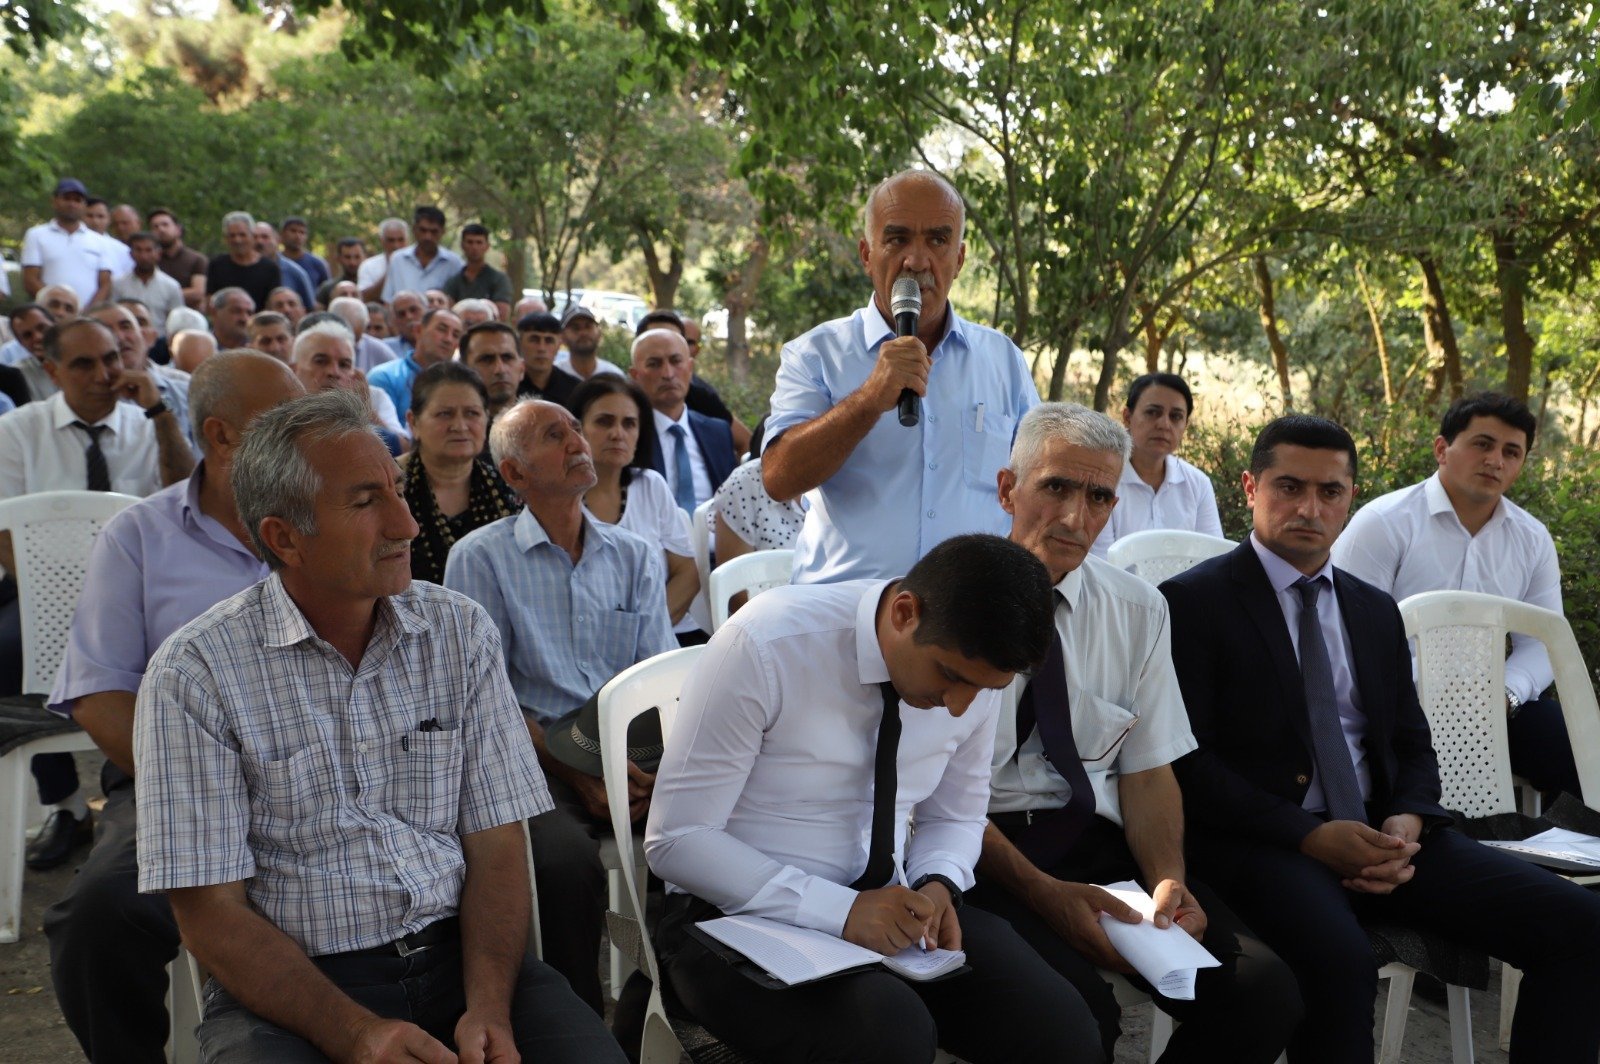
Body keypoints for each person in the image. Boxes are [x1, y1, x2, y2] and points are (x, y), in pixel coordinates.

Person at [133, 388, 623, 1064]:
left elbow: (497, 842)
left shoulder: (457, 631)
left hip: (464, 961)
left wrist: (487, 1005)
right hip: (296, 987)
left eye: (396, 489)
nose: (407, 523)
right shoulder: (195, 673)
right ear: (283, 538)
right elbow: (208, 911)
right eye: (366, 502)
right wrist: (356, 1033)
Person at [1160, 414, 1600, 1063]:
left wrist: (1409, 820)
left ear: (1349, 499)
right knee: (1340, 964)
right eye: (1289, 487)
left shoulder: (1372, 610)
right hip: (1268, 841)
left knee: (1581, 927)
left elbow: (1412, 743)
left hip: (1386, 838)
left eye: (1330, 492)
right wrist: (1310, 836)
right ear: (1251, 488)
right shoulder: (1191, 603)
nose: (1309, 508)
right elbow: (1187, 764)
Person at [646, 533, 1102, 1062]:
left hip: (892, 904)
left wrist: (938, 882)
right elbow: (677, 839)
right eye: (950, 677)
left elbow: (957, 815)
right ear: (904, 613)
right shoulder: (769, 642)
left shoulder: (971, 674)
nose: (959, 707)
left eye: (984, 691)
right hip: (732, 914)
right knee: (889, 1035)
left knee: (1061, 1029)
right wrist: (840, 911)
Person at [969, 402, 1299, 1062]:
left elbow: (1148, 770)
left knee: (1262, 993)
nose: (1075, 517)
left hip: (1095, 845)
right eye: (1056, 487)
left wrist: (1168, 881)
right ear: (1008, 489)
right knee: (1076, 1018)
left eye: (1098, 497)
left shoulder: (1138, 608)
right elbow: (931, 797)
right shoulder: (956, 599)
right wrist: (1044, 894)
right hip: (977, 853)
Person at [43, 351, 303, 1064]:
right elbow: (100, 696)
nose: (302, 436)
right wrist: (203, 789)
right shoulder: (138, 536)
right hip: (174, 780)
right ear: (221, 436)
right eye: (282, 422)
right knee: (96, 917)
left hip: (323, 766)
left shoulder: (323, 519)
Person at [444, 398, 675, 1014]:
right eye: (554, 435)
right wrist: (581, 774)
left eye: (575, 428)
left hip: (630, 754)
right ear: (514, 474)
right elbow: (484, 701)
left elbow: (661, 680)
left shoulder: (633, 554)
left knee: (714, 829)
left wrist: (648, 773)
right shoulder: (479, 558)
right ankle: (578, 1021)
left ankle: (673, 1003)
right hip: (535, 756)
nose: (578, 441)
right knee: (565, 863)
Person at [764, 169, 1038, 584]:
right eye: (897, 239)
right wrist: (869, 398)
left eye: (938, 240)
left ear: (959, 259)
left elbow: (1037, 482)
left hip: (968, 610)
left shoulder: (1003, 360)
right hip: (843, 606)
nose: (916, 260)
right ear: (866, 254)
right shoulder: (816, 355)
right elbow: (779, 479)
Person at [0, 317, 195, 871]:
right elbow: (5, 536)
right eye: (83, 363)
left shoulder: (148, 424)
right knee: (11, 653)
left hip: (142, 595)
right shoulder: (17, 431)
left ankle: (148, 791)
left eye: (112, 358)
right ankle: (63, 804)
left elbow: (188, 502)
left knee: (180, 655)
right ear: (51, 370)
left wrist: (160, 414)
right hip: (39, 592)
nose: (104, 374)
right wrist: (65, 604)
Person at [1332, 392, 1578, 801]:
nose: (1495, 460)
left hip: (1490, 710)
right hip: (1392, 709)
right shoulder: (1384, 523)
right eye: (1483, 444)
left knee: (1575, 748)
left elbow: (1542, 644)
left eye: (1511, 452)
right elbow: (1343, 633)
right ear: (1441, 449)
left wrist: (1505, 695)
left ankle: (1561, 843)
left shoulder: (1532, 540)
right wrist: (1426, 695)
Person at [570, 375, 699, 628]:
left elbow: (687, 574)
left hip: (662, 634)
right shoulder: (559, 496)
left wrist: (642, 630)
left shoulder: (651, 485)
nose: (617, 434)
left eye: (629, 424)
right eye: (604, 421)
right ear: (577, 430)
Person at [402, 362, 520, 584]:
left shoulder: (509, 488)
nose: (460, 426)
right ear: (413, 422)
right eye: (444, 414)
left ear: (487, 418)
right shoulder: (390, 487)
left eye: (472, 413)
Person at [1091, 372, 1223, 558]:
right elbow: (1100, 563)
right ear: (1127, 417)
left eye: (1176, 416)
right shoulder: (1103, 480)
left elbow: (1214, 557)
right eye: (1152, 412)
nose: (1164, 424)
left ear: (1185, 425)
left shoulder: (1198, 485)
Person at [631, 327, 737, 513]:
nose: (668, 374)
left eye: (676, 361)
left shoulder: (718, 432)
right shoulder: (630, 435)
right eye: (654, 364)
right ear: (635, 376)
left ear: (690, 367)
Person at [634, 308, 753, 454]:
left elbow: (746, 441)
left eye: (674, 340)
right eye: (654, 362)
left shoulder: (702, 399)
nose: (668, 373)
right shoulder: (623, 411)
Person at [84, 301, 193, 446]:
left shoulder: (186, 392)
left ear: (145, 336)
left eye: (126, 327)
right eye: (105, 330)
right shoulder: (79, 398)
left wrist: (158, 408)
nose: (120, 337)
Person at [289, 320, 409, 451]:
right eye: (321, 361)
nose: (334, 372)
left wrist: (364, 411)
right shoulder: (278, 411)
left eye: (344, 365)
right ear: (294, 370)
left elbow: (404, 450)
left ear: (354, 374)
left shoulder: (372, 400)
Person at [22, 178, 111, 307]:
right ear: (54, 201)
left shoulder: (99, 241)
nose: (72, 204)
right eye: (66, 199)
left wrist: (88, 313)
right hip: (47, 312)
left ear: (84, 206)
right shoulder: (36, 235)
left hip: (87, 315)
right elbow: (30, 280)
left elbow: (105, 284)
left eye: (77, 200)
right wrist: (55, 306)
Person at [368, 307, 463, 417]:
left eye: (455, 335)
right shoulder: (384, 377)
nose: (448, 339)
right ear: (418, 330)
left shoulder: (461, 383)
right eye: (442, 329)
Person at [382, 206, 463, 303]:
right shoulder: (398, 259)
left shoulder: (454, 263)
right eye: (423, 230)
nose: (427, 237)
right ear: (414, 230)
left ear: (442, 232)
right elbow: (388, 300)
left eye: (434, 232)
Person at [111, 232, 186, 331]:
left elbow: (177, 320)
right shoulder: (118, 284)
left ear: (158, 253)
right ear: (131, 254)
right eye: (138, 250)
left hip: (160, 338)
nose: (144, 256)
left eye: (149, 250)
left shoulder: (171, 286)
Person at [205, 212, 280, 309]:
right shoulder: (217, 265)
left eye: (242, 235)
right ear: (226, 239)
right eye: (232, 235)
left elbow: (274, 304)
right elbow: (210, 302)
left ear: (252, 236)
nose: (237, 240)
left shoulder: (270, 268)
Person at [443, 223, 514, 321]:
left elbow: (502, 314)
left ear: (487, 246)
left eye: (479, 242)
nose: (474, 247)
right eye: (470, 242)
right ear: (462, 245)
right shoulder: (453, 281)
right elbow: (448, 312)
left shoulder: (499, 280)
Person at [458, 320, 524, 422]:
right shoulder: (454, 428)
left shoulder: (541, 425)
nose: (500, 370)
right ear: (464, 370)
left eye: (507, 358)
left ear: (522, 368)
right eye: (486, 359)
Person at [147, 207, 208, 310]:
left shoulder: (197, 259)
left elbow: (198, 293)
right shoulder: (149, 260)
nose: (161, 229)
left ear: (178, 229)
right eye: (155, 227)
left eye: (165, 225)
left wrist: (159, 295)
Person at [516, 310, 579, 404]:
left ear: (559, 345)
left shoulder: (575, 389)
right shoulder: (509, 385)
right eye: (534, 340)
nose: (541, 348)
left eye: (549, 340)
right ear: (519, 343)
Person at [252, 222, 316, 312]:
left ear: (277, 240)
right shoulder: (242, 270)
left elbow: (310, 308)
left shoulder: (295, 272)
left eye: (265, 237)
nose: (259, 242)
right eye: (254, 237)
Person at [328, 295, 397, 372]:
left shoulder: (379, 349)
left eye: (356, 339)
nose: (349, 345)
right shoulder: (320, 345)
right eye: (345, 338)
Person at [556, 304, 623, 380]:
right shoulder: (554, 377)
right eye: (576, 328)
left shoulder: (614, 377)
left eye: (588, 327)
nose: (583, 333)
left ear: (599, 334)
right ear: (563, 337)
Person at [84, 197, 135, 279]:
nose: (95, 221)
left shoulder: (122, 250)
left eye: (100, 216)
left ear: (109, 219)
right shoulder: (71, 244)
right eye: (90, 216)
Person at [357, 217, 408, 300]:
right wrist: (391, 270)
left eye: (401, 240)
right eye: (391, 240)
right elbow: (364, 297)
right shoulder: (368, 266)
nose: (396, 245)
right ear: (382, 241)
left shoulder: (418, 263)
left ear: (407, 240)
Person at [278, 216, 329, 291]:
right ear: (282, 234)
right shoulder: (274, 262)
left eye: (302, 232)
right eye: (293, 231)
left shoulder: (318, 264)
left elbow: (327, 292)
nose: (298, 236)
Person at [383, 290, 425, 359]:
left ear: (427, 311)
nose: (409, 317)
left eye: (413, 310)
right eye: (401, 314)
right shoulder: (385, 348)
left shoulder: (440, 343)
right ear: (394, 321)